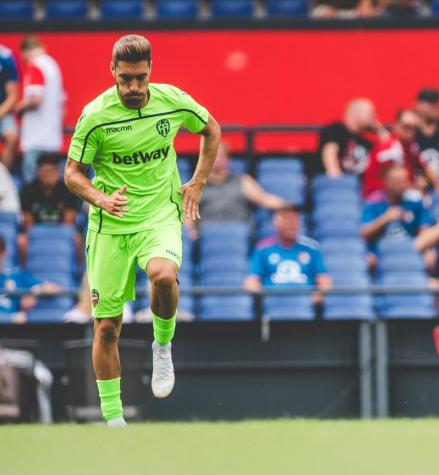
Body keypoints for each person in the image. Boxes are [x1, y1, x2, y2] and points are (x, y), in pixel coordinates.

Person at [63, 35, 221, 427]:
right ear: (112, 72)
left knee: (164, 275)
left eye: (140, 78)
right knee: (105, 329)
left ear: (150, 70)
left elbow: (211, 130)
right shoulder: (95, 116)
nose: (134, 87)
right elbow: (72, 174)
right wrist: (99, 198)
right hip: (110, 226)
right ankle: (115, 424)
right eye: (126, 79)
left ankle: (162, 346)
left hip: (158, 215)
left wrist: (198, 181)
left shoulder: (172, 101)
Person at [185, 141, 287, 239]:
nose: (217, 159)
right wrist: (190, 231)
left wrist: (289, 206)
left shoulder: (243, 181)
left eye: (220, 156)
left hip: (240, 237)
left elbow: (264, 199)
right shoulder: (196, 186)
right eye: (212, 155)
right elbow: (187, 214)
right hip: (208, 240)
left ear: (228, 159)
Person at [244, 205, 332, 306]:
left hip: (304, 306)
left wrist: (315, 297)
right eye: (287, 220)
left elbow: (325, 280)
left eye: (295, 220)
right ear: (276, 223)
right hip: (273, 305)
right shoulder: (263, 249)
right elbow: (251, 282)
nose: (292, 224)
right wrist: (264, 299)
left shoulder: (312, 249)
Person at [14, 36, 63, 184]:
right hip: (52, 137)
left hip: (36, 137)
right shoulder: (53, 65)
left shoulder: (35, 65)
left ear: (26, 52)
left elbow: (35, 98)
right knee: (52, 184)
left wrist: (18, 107)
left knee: (31, 186)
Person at [362, 108, 439, 199]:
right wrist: (417, 187)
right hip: (379, 197)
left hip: (398, 194)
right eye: (406, 126)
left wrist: (437, 186)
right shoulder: (389, 150)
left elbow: (424, 167)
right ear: (396, 126)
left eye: (414, 128)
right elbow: (395, 185)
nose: (410, 131)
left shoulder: (411, 146)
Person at [18, 153, 79, 264]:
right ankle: (24, 271)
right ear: (38, 171)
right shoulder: (28, 191)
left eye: (51, 171)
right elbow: (28, 223)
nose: (47, 175)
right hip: (37, 233)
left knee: (77, 238)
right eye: (43, 171)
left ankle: (77, 273)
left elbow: (70, 222)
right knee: (22, 240)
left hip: (60, 233)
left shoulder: (68, 191)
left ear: (58, 171)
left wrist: (54, 236)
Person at [361, 165, 433, 258]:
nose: (402, 185)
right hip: (381, 255)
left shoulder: (415, 201)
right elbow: (364, 234)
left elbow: (424, 229)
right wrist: (385, 219)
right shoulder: (375, 202)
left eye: (404, 181)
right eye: (397, 181)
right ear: (387, 182)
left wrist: (428, 251)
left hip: (409, 252)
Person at [0, 236, 60, 324]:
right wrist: (10, 318)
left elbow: (54, 289)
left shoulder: (17, 276)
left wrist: (34, 292)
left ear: (4, 253)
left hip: (14, 331)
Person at [317, 98, 383, 177]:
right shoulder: (336, 130)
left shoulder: (366, 142)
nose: (374, 117)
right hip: (342, 183)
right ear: (356, 113)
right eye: (370, 113)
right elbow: (329, 152)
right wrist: (337, 180)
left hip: (363, 185)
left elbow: (386, 154)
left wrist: (381, 131)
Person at [0, 44, 19, 170]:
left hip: (2, 110)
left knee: (12, 136)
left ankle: (2, 177)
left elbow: (13, 96)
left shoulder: (5, 57)